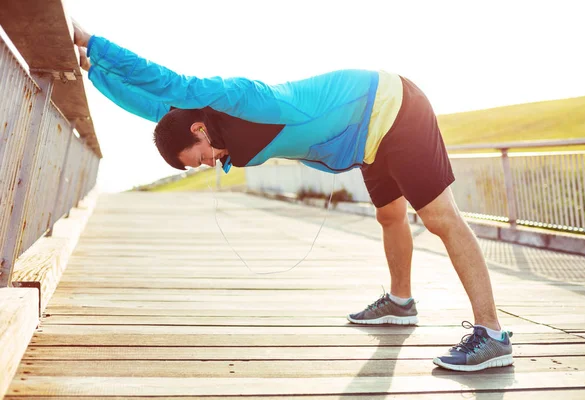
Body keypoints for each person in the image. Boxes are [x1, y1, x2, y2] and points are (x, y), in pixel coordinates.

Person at [73, 22, 513, 372]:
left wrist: (93, 43)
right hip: (366, 139)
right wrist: (95, 75)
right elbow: (154, 108)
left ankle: (492, 335)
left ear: (199, 129)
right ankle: (401, 302)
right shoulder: (206, 127)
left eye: (202, 157)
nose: (210, 164)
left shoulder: (239, 99)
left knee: (439, 218)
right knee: (389, 216)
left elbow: (168, 83)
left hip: (391, 108)